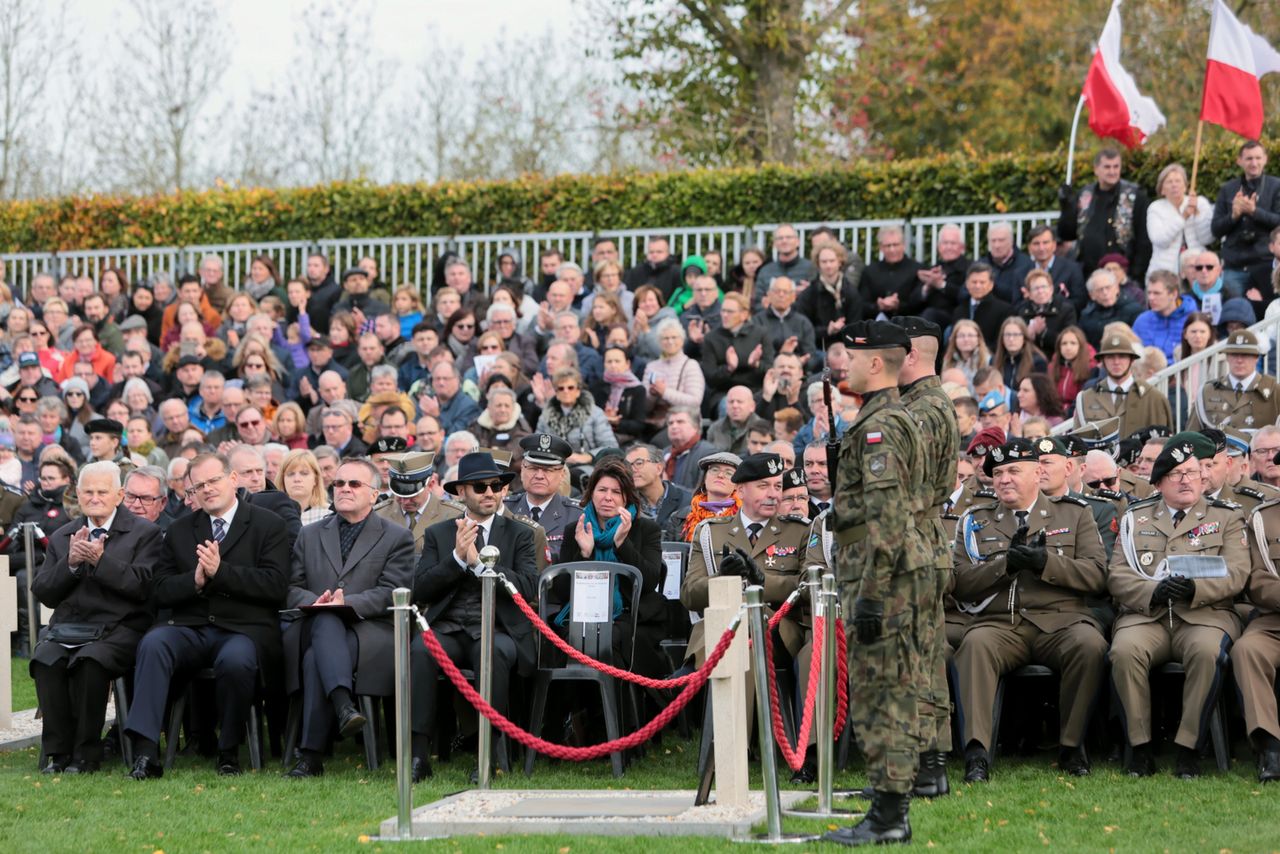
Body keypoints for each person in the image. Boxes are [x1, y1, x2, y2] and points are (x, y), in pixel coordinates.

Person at [821, 321, 929, 847]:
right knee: (884, 690)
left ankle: (888, 816)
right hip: (877, 571)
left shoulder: (882, 425)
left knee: (883, 693)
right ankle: (889, 810)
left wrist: (871, 591)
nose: (843, 365)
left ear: (876, 363)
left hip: (880, 578)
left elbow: (889, 518)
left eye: (850, 357)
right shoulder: (877, 419)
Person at [125, 452, 291, 779]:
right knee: (154, 643)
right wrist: (195, 581)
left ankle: (228, 752)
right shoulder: (179, 530)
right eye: (199, 485)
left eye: (214, 480)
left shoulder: (268, 525)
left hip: (243, 629)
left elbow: (275, 586)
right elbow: (159, 589)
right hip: (190, 627)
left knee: (237, 660)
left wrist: (221, 573)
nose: (207, 489)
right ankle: (145, 753)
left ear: (233, 479)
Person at [951, 438, 1108, 782]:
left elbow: (1098, 576)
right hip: (1001, 623)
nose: (1003, 479)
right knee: (974, 647)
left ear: (1038, 473)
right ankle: (977, 752)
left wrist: (1044, 563)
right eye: (998, 473)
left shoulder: (1073, 513)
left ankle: (1071, 745)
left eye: (1013, 471)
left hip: (1061, 620)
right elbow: (959, 582)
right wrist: (1004, 566)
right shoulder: (976, 520)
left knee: (1090, 645)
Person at [1108, 434, 1249, 778]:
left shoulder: (1227, 517)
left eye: (1192, 472)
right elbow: (1117, 576)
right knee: (1124, 652)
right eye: (1175, 474)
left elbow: (1237, 573)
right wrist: (1152, 593)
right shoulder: (1135, 518)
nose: (1186, 479)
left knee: (1205, 652)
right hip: (1148, 617)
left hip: (1204, 615)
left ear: (1204, 477)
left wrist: (1194, 587)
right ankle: (1139, 749)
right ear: (1157, 483)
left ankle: (1189, 748)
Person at [410, 452, 538, 781]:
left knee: (490, 653)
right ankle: (419, 755)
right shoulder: (440, 534)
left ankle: (488, 753)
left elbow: (527, 587)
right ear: (461, 493)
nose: (490, 493)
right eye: (480, 487)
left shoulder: (520, 534)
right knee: (421, 650)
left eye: (496, 486)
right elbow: (421, 590)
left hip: (499, 630)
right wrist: (456, 559)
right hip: (450, 628)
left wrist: (480, 564)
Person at [283, 459, 414, 778]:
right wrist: (316, 601)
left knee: (317, 657)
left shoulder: (397, 537)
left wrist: (347, 602)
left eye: (354, 484)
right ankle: (343, 707)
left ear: (375, 494)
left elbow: (393, 591)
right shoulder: (310, 534)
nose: (343, 489)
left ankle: (311, 756)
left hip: (371, 631)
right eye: (338, 484)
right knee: (326, 621)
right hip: (314, 623)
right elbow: (290, 586)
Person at [29, 461, 162, 774]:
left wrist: (101, 562)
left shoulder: (146, 533)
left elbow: (144, 587)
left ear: (118, 495)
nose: (95, 497)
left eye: (102, 491)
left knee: (90, 661)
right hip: (68, 628)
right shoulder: (63, 536)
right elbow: (44, 591)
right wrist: (71, 564)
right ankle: (57, 754)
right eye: (88, 492)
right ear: (77, 494)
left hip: (121, 627)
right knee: (46, 658)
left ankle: (87, 754)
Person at [891, 315, 961, 796]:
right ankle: (923, 766)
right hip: (914, 541)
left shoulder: (924, 409)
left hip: (912, 541)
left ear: (910, 355)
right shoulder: (920, 404)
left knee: (917, 658)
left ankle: (928, 765)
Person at [680, 452, 807, 675]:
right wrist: (721, 579)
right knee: (731, 638)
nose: (773, 494)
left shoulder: (799, 531)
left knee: (744, 628)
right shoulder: (711, 532)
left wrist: (762, 582)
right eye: (763, 486)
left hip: (776, 632)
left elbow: (806, 588)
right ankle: (686, 693)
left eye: (778, 486)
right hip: (721, 631)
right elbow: (690, 595)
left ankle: (691, 686)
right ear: (740, 490)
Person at [559, 459, 666, 677]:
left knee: (610, 641)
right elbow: (561, 591)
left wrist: (622, 544)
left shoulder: (646, 529)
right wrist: (584, 554)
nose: (608, 497)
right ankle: (584, 707)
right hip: (582, 615)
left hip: (631, 616)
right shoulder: (576, 529)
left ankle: (613, 708)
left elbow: (648, 581)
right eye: (602, 490)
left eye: (616, 492)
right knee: (572, 639)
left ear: (626, 497)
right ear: (591, 493)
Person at [1234, 493, 1280, 782]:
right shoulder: (1263, 519)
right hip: (1274, 618)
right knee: (1247, 649)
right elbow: (1257, 579)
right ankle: (1271, 748)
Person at [1058, 147, 1152, 277]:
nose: (1112, 172)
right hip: (1088, 272)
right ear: (1096, 169)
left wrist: (1136, 274)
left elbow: (1144, 240)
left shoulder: (1135, 197)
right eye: (1107, 167)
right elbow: (1067, 234)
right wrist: (1066, 206)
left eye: (1116, 167)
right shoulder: (1084, 195)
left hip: (1122, 274)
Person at [1071, 333, 1172, 437]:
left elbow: (1163, 443)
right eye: (1110, 357)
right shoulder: (1086, 398)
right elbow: (1078, 443)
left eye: (1122, 356)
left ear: (1132, 360)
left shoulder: (1153, 398)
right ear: (1103, 361)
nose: (1116, 362)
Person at [1211, 140, 1280, 292]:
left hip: (1266, 264)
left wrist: (1254, 212)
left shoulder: (1276, 186)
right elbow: (1215, 230)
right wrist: (1234, 216)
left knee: (1270, 312)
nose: (1254, 163)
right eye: (1249, 158)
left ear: (1265, 159)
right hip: (1234, 266)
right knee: (1235, 313)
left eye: (1258, 158)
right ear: (1239, 161)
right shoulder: (1227, 189)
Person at [505, 433, 582, 563]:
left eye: (548, 470)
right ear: (522, 469)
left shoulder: (577, 515)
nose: (539, 476)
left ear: (562, 474)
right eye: (533, 468)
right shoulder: (504, 509)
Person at [1187, 330, 1280, 432]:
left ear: (1256, 358)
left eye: (1245, 355)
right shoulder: (1208, 391)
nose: (1239, 360)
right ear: (1227, 357)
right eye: (1234, 354)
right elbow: (1192, 434)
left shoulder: (1274, 391)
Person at [699, 292, 773, 417]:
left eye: (730, 312)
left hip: (756, 390)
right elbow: (710, 378)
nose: (725, 315)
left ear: (744, 314)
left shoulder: (760, 334)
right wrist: (728, 369)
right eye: (723, 311)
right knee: (730, 407)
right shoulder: (711, 338)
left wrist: (756, 364)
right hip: (724, 393)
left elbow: (770, 371)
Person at [377, 451, 465, 556]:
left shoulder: (454, 515)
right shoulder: (379, 515)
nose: (405, 501)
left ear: (431, 484)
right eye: (399, 495)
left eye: (412, 495)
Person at [1147, 163, 1214, 277]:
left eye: (1178, 181)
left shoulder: (1199, 202)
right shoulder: (1155, 208)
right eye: (1169, 182)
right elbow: (1159, 240)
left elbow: (1207, 239)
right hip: (1165, 271)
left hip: (1197, 268)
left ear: (1185, 186)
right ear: (1162, 189)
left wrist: (1197, 215)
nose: (1174, 185)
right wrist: (1183, 217)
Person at [625, 443, 693, 537]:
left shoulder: (687, 501)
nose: (632, 469)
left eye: (639, 463)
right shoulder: (626, 504)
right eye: (628, 466)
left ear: (659, 468)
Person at [1132, 270, 1198, 362]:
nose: (1151, 298)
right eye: (1149, 293)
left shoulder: (1193, 320)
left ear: (1174, 294)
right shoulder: (1141, 321)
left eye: (1156, 293)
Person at [1026, 225, 1087, 312]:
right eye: (1036, 243)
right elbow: (1016, 306)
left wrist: (1049, 301)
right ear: (1029, 248)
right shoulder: (1021, 272)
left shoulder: (1072, 269)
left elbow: (1080, 302)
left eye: (1045, 242)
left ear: (1054, 245)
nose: (1041, 248)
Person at [952, 262, 1011, 351]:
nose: (978, 286)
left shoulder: (1004, 310)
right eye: (974, 282)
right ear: (967, 284)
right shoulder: (959, 310)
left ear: (991, 285)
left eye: (982, 282)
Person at [1078, 268, 1141, 349]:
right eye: (1100, 290)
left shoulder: (1134, 310)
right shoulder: (1086, 316)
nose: (1105, 293)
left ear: (1117, 288)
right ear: (1092, 295)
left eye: (1108, 287)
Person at [662, 407, 719, 493]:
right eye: (670, 423)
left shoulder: (708, 454)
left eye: (680, 422)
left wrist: (668, 487)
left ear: (695, 427)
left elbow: (703, 494)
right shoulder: (663, 453)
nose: (674, 426)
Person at [980, 222, 1035, 305]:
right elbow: (963, 293)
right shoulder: (981, 264)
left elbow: (1019, 296)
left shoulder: (1026, 264)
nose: (996, 245)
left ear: (1011, 241)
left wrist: (991, 287)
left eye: (1001, 240)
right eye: (993, 240)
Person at [755, 224, 816, 300]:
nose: (784, 241)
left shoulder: (811, 268)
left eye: (789, 237)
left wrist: (808, 293)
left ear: (797, 242)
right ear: (774, 244)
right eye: (780, 238)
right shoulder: (765, 271)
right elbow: (758, 302)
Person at [707, 385, 770, 455]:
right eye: (731, 402)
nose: (735, 406)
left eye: (739, 402)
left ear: (752, 406)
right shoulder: (715, 428)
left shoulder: (763, 429)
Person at [1048, 326, 1095, 418]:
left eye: (1073, 343)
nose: (1068, 348)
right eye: (1064, 344)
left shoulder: (1090, 367)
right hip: (1055, 414)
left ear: (1081, 346)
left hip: (1078, 415)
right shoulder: (1052, 367)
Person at [940, 318, 991, 389]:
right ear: (954, 339)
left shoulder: (988, 360)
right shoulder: (948, 360)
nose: (966, 339)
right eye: (961, 336)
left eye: (970, 335)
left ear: (978, 338)